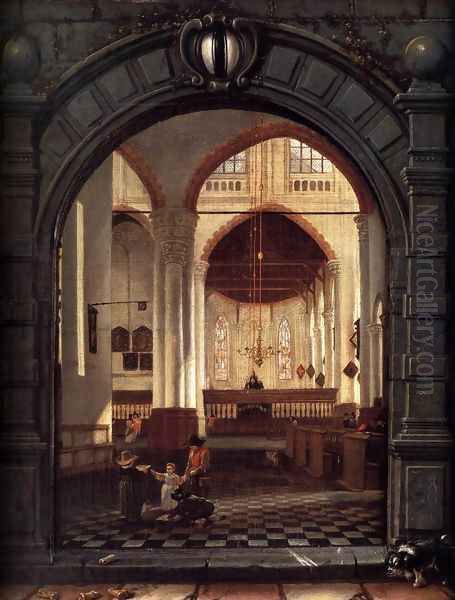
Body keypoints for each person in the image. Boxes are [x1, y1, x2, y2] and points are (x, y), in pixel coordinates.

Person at [116, 450, 142, 522]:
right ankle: (126, 515)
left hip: (131, 484)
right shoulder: (121, 467)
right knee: (124, 499)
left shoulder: (133, 466)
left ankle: (133, 516)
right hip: (124, 484)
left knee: (131, 499)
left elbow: (135, 474)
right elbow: (120, 475)